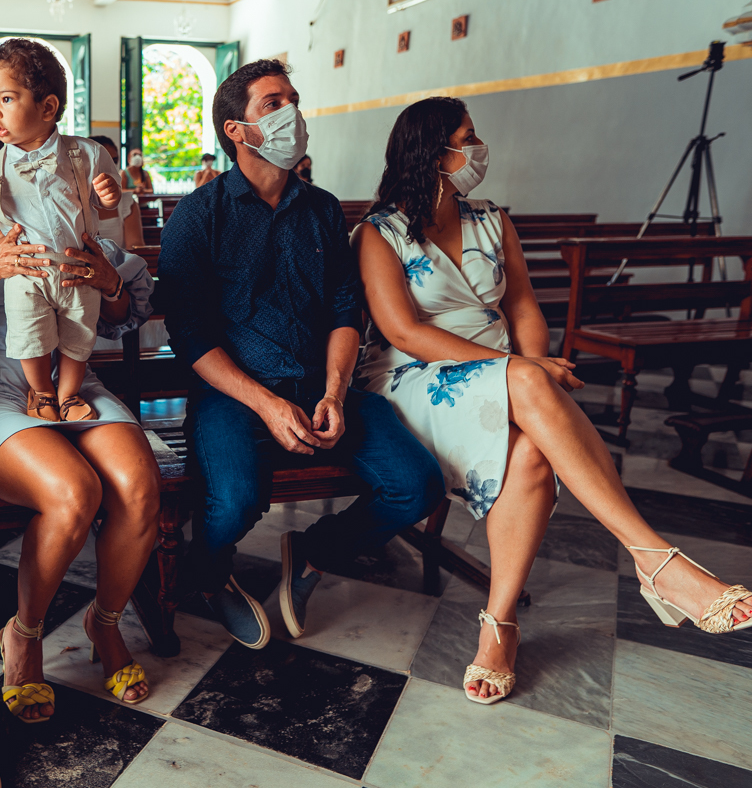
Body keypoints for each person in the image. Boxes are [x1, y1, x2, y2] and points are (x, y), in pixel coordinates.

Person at [355, 96, 752, 705]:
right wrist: (520, 368)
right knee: (527, 385)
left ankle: (500, 623)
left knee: (532, 456)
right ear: (435, 153)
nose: (478, 148)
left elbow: (522, 307)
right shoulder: (378, 233)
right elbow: (404, 332)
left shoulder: (492, 219)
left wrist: (531, 361)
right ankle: (654, 559)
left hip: (507, 372)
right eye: (468, 136)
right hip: (415, 377)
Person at [157, 59, 445, 652]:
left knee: (418, 486)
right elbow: (189, 335)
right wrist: (266, 404)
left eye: (293, 100)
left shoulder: (321, 209)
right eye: (273, 104)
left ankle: (315, 551)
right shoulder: (199, 215)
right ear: (237, 130)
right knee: (233, 503)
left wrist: (335, 391)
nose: (292, 113)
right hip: (234, 394)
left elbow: (344, 311)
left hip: (320, 386)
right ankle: (208, 575)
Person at [0, 65, 159, 722]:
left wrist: (108, 279)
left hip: (75, 374)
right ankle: (23, 636)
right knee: (74, 492)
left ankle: (106, 622)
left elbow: (125, 311)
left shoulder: (63, 178)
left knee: (139, 486)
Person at [0, 39, 123, 423]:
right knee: (29, 333)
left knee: (79, 332)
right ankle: (41, 393)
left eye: (5, 100)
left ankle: (69, 395)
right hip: (27, 270)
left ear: (48, 107)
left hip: (78, 268)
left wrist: (110, 195)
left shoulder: (87, 153)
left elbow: (107, 204)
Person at [92, 135, 145, 248]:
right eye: (103, 162)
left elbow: (135, 247)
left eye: (114, 161)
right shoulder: (73, 202)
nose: (110, 167)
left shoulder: (127, 203)